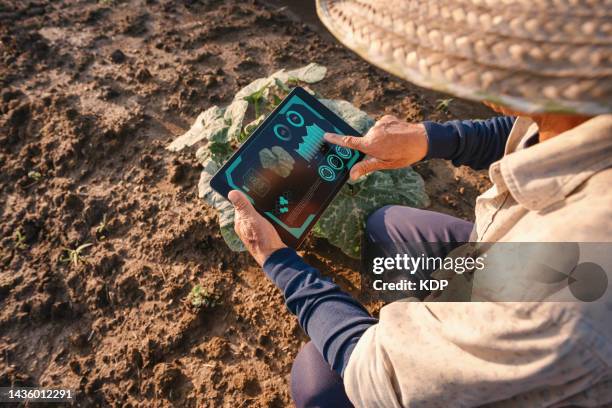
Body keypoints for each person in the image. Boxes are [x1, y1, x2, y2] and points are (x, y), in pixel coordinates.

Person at [228, 0, 612, 406]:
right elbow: (534, 126)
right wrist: (429, 139)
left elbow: (378, 374)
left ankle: (438, 352)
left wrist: (275, 258)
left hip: (542, 315)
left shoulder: (563, 285)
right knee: (388, 229)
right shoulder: (586, 111)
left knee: (318, 382)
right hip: (507, 262)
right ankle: (434, 333)